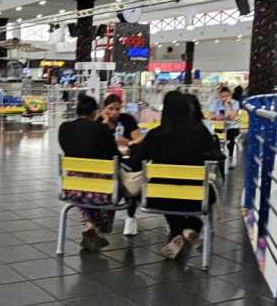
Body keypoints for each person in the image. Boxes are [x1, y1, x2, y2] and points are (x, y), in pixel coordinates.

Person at [131, 90, 223, 259]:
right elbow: (216, 155)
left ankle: (177, 234)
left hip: (157, 197)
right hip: (194, 197)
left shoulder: (154, 135)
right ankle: (190, 228)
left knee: (169, 195)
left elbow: (136, 161)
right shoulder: (200, 133)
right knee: (209, 197)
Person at [58, 93, 120, 252]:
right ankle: (100, 227)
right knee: (115, 183)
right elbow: (116, 156)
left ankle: (89, 228)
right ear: (95, 112)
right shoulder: (101, 128)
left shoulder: (64, 128)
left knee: (84, 185)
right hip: (99, 191)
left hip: (72, 188)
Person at [101, 94, 143, 235]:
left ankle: (129, 216)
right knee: (123, 179)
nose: (115, 112)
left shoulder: (127, 119)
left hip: (126, 160)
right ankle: (110, 210)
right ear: (104, 109)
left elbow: (138, 138)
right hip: (106, 163)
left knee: (130, 178)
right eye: (111, 109)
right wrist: (105, 122)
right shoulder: (100, 122)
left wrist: (129, 142)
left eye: (118, 109)